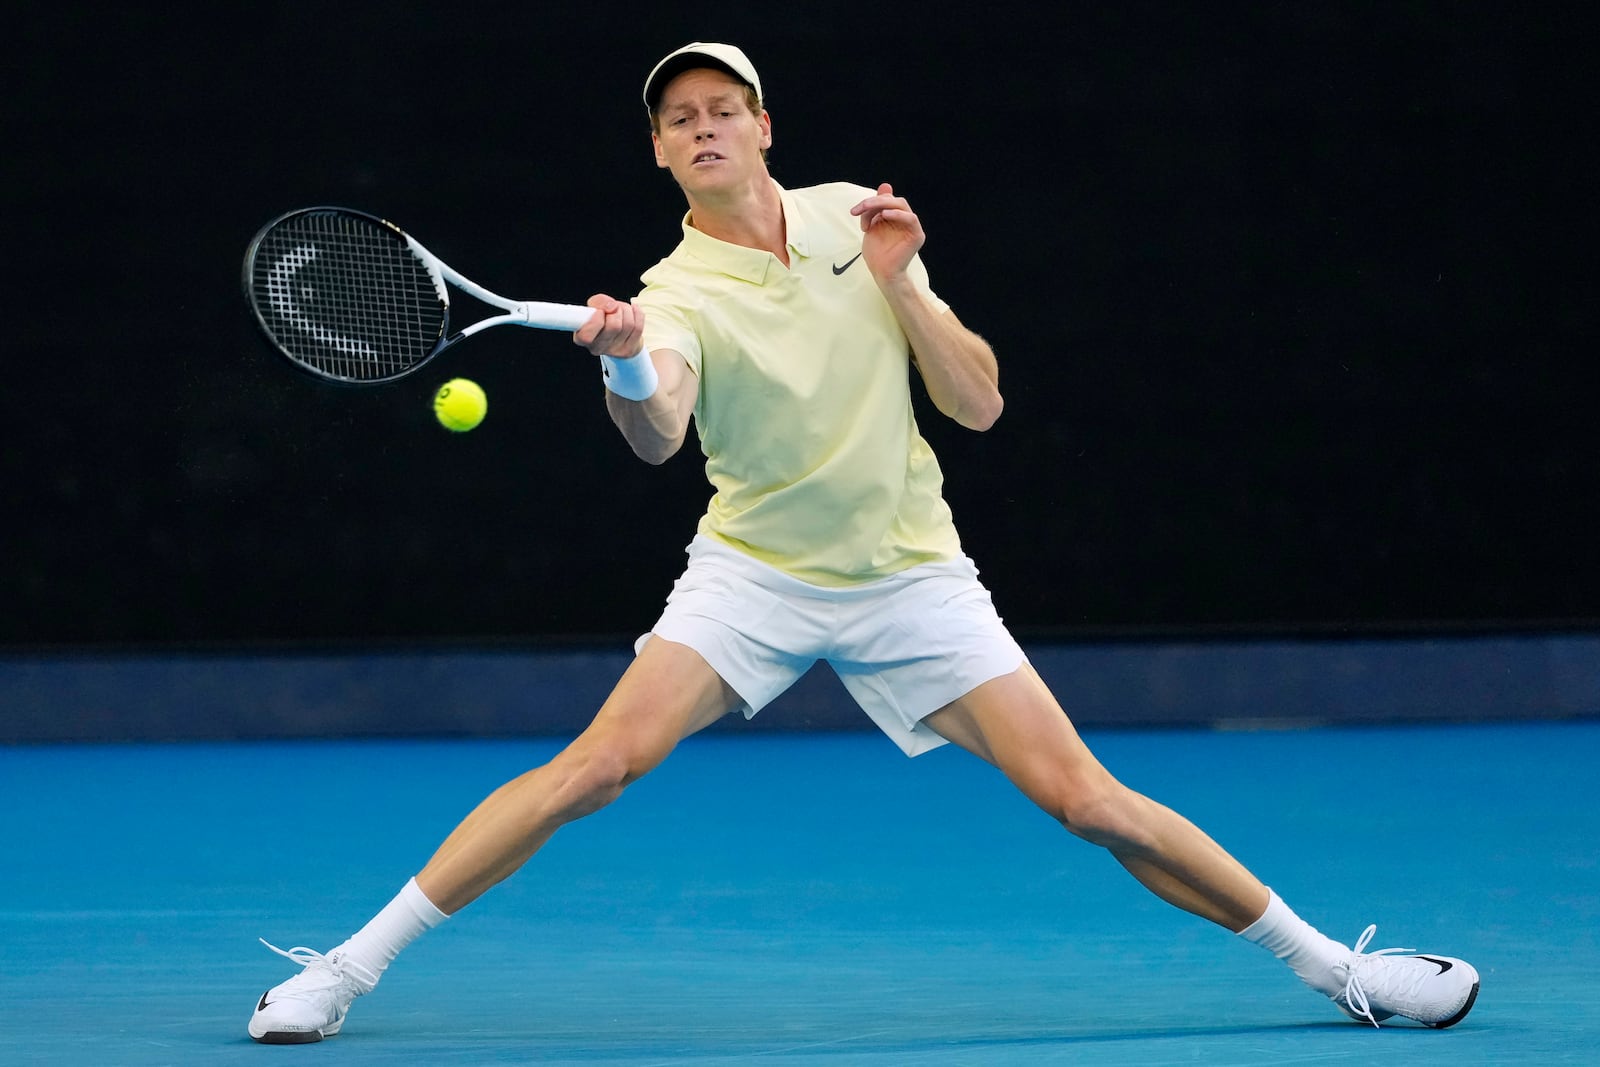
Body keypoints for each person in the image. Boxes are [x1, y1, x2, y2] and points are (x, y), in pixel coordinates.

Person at [247, 42, 1480, 1044]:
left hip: (910, 571)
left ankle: (1337, 970)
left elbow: (980, 402)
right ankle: (344, 969)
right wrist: (625, 358)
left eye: (725, 107)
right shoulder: (670, 289)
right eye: (679, 119)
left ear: (766, 127)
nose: (704, 126)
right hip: (755, 573)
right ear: (662, 152)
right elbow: (658, 433)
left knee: (1088, 800)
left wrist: (897, 281)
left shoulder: (857, 217)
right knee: (597, 766)